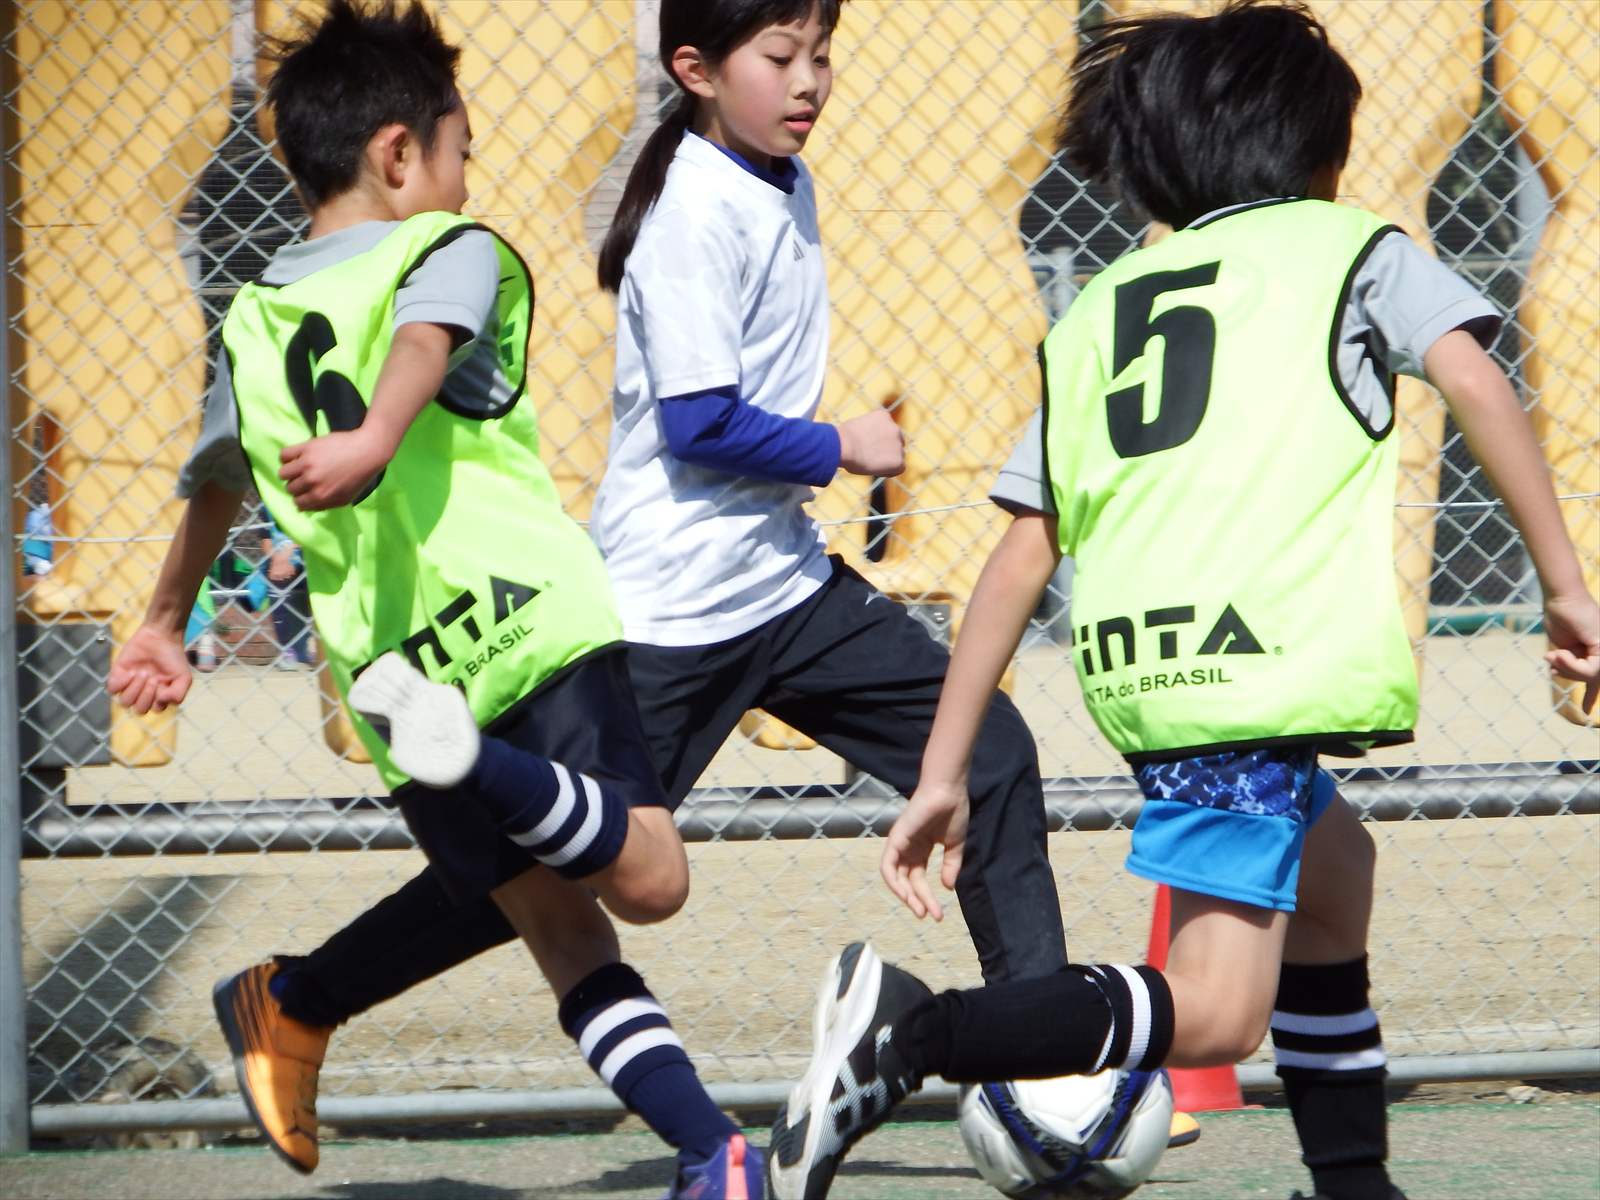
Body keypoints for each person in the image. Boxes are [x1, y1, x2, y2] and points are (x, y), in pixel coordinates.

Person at [189, 0, 1213, 1182]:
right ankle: (300, 998)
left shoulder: (779, 176)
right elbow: (698, 424)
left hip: (782, 586)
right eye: (780, 57)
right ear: (696, 70)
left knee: (988, 753)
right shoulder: (686, 214)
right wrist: (841, 445)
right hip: (668, 611)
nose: (809, 79)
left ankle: (1043, 1064)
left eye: (820, 55)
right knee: (541, 881)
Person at [764, 3, 1600, 1199]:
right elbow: (1474, 376)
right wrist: (1566, 587)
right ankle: (912, 1033)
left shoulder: (1102, 306)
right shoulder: (1350, 250)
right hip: (1248, 678)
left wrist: (942, 770)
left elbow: (1020, 553)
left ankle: (1353, 1183)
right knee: (1215, 1014)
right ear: (1318, 149)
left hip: (1152, 674)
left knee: (1334, 877)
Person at [105, 2, 763, 1195]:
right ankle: (708, 1146)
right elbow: (419, 342)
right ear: (398, 153)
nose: (466, 177)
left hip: (401, 676)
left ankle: (705, 1151)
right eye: (460, 150)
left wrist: (162, 619)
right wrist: (373, 439)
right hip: (524, 622)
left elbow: (214, 481)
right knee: (647, 885)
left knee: (567, 928)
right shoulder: (444, 247)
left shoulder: (250, 320)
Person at [259, 512, 316, 668]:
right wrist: (277, 559)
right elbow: (265, 541)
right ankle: (287, 649)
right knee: (276, 584)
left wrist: (287, 554)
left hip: (308, 556)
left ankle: (315, 644)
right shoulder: (268, 507)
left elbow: (312, 532)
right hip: (280, 561)